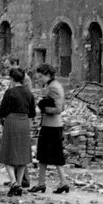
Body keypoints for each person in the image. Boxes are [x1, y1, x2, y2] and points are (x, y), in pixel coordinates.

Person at [0, 66, 36, 197]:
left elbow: (2, 110)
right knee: (22, 155)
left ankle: (13, 182)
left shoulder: (10, 92)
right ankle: (19, 182)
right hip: (24, 122)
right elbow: (32, 113)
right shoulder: (29, 93)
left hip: (12, 122)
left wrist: (1, 118)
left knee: (8, 153)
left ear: (12, 78)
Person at [30, 63, 69, 194]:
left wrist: (43, 107)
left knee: (48, 155)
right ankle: (47, 183)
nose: (39, 79)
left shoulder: (53, 87)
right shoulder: (54, 85)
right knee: (46, 155)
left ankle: (55, 182)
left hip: (51, 125)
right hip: (52, 125)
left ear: (47, 74)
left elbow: (58, 109)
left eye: (40, 76)